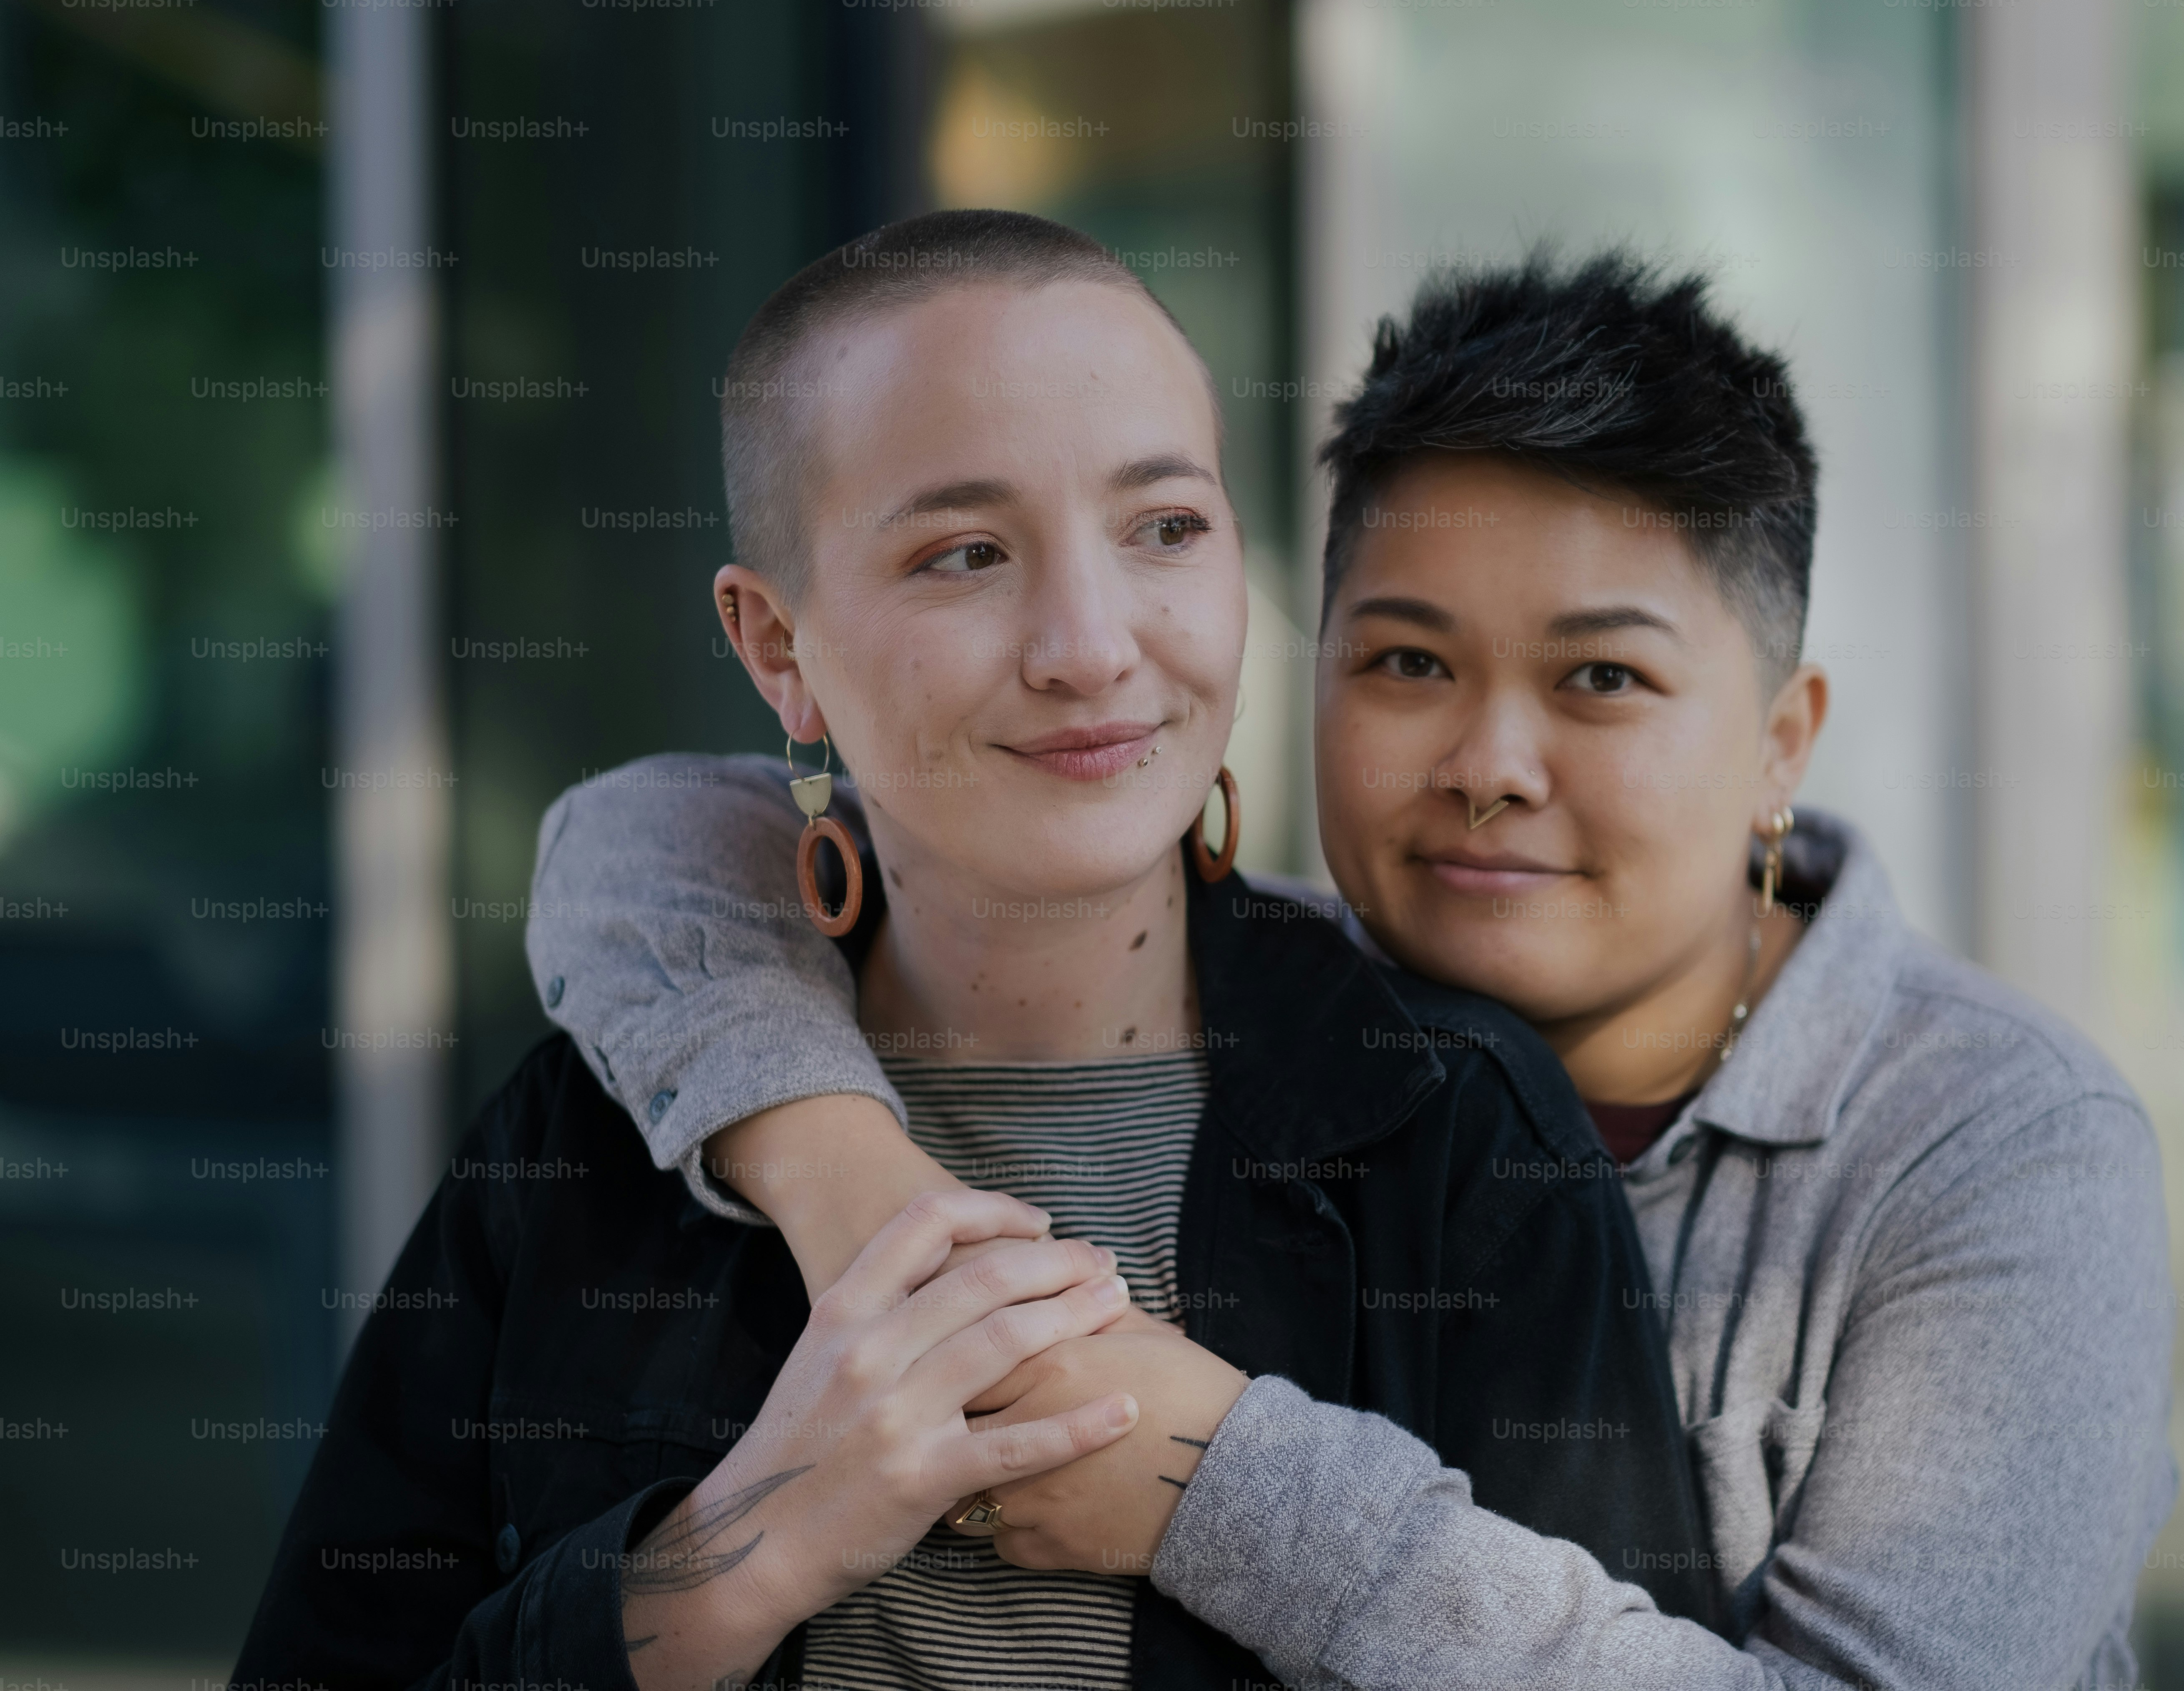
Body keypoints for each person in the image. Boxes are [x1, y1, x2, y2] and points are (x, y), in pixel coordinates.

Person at [528, 243, 2180, 1688]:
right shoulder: (1286, 994)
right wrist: (850, 1183)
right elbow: (651, 841)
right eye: (1406, 660)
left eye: (1601, 677)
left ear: (1778, 742)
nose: (1490, 762)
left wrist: (1211, 1481)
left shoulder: (1999, 1145)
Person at [231, 211, 1710, 1691]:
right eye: (967, 554)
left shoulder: (1457, 1134)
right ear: (777, 651)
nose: (1090, 645)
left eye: (1166, 529)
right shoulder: (592, 1138)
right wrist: (741, 1547)